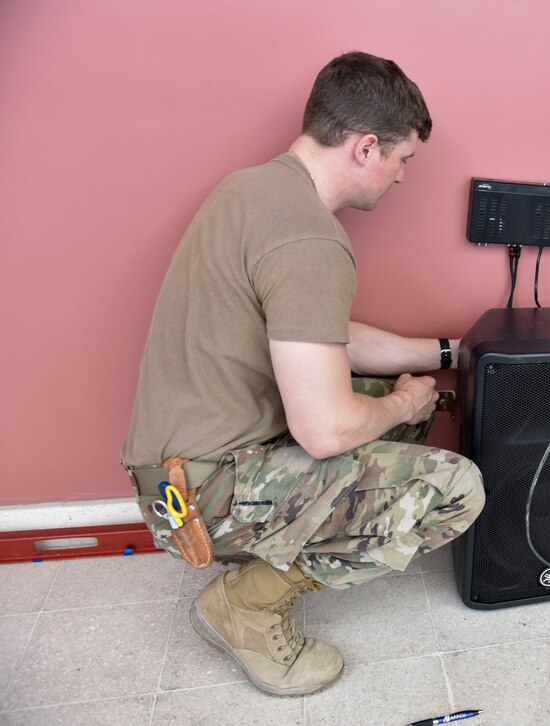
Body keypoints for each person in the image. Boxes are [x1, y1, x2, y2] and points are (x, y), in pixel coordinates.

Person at [121, 51, 485, 696]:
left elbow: (325, 338)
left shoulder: (251, 191)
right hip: (204, 495)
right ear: (366, 147)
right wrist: (400, 408)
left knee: (392, 402)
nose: (402, 176)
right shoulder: (310, 239)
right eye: (403, 159)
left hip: (171, 480)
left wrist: (453, 352)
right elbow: (325, 431)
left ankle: (269, 546)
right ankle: (246, 604)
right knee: (456, 488)